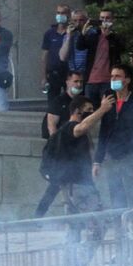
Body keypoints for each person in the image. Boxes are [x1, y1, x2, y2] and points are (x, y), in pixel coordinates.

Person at [45, 95, 112, 266]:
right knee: (99, 225)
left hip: (71, 188)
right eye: (88, 110)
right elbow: (80, 128)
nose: (91, 113)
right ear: (76, 111)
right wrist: (102, 109)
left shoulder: (64, 132)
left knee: (74, 230)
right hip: (80, 188)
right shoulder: (69, 128)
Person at [93, 64, 133, 211]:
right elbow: (103, 133)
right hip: (112, 157)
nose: (113, 79)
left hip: (131, 157)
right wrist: (97, 160)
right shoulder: (108, 102)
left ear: (127, 80)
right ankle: (119, 225)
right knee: (116, 200)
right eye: (112, 76)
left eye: (118, 76)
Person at [35, 73, 88, 218]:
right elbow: (51, 126)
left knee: (68, 186)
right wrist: (58, 148)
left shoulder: (81, 102)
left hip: (76, 152)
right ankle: (38, 216)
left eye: (80, 81)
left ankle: (71, 218)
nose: (78, 84)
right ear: (67, 82)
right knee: (56, 185)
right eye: (75, 81)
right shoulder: (59, 101)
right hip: (60, 152)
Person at [79, 8, 125, 105]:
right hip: (91, 80)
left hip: (108, 80)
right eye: (102, 18)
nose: (104, 21)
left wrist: (108, 36)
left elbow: (121, 49)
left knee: (109, 108)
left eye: (107, 18)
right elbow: (80, 46)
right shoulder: (94, 35)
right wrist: (83, 33)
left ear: (113, 20)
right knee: (90, 109)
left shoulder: (116, 37)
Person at [41, 3, 73, 93]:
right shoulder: (49, 33)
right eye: (58, 13)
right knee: (53, 100)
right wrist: (43, 77)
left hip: (69, 73)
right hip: (53, 73)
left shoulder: (72, 32)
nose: (60, 15)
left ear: (68, 15)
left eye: (63, 13)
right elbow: (44, 56)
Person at [61, 8, 92, 82]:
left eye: (81, 20)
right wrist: (69, 37)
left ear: (86, 21)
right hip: (73, 72)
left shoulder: (91, 34)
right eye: (75, 21)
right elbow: (63, 57)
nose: (78, 23)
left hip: (88, 72)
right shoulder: (69, 35)